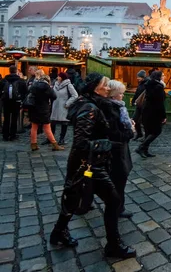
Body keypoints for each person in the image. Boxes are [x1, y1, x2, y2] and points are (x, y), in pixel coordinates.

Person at [50, 73, 136, 259]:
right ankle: (113, 245)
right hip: (88, 164)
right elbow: (82, 142)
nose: (107, 88)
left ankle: (58, 233)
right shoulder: (89, 107)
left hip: (87, 163)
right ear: (96, 88)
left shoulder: (95, 104)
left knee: (71, 198)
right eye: (104, 85)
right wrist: (109, 145)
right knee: (112, 201)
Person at [103, 80, 135, 219]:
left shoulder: (117, 107)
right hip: (116, 150)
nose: (122, 96)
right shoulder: (112, 109)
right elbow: (115, 133)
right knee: (118, 180)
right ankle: (117, 208)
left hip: (119, 150)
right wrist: (131, 131)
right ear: (114, 95)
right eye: (121, 93)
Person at [29, 74, 63, 151]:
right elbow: (54, 96)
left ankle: (33, 144)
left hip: (34, 108)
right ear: (48, 80)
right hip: (44, 109)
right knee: (47, 127)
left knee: (34, 127)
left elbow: (30, 92)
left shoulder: (34, 85)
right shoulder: (47, 87)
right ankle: (54, 144)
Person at [136, 71, 166, 158]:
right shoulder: (159, 87)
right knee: (157, 131)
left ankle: (145, 151)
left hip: (146, 111)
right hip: (155, 112)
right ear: (159, 77)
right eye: (162, 75)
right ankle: (141, 147)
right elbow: (160, 103)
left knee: (148, 132)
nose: (163, 77)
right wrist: (164, 116)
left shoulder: (148, 84)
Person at [50, 72, 79, 145]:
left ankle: (61, 139)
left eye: (59, 76)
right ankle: (51, 138)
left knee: (64, 123)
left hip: (64, 106)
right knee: (52, 122)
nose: (57, 77)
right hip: (55, 105)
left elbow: (75, 95)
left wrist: (68, 103)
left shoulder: (69, 85)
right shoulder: (55, 84)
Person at [2, 66, 27, 141]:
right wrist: (21, 99)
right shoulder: (21, 81)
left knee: (6, 118)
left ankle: (5, 135)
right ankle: (13, 135)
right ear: (16, 71)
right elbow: (25, 91)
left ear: (9, 71)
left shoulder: (4, 80)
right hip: (16, 102)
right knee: (14, 118)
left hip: (6, 102)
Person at [131, 70, 148, 140]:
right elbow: (137, 93)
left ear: (143, 77)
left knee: (144, 121)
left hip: (144, 105)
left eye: (139, 77)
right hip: (139, 105)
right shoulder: (140, 83)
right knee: (135, 119)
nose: (137, 78)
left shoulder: (147, 83)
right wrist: (133, 100)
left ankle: (146, 136)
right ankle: (139, 134)